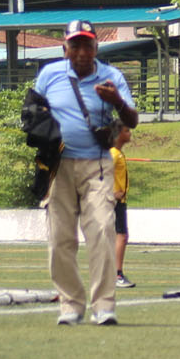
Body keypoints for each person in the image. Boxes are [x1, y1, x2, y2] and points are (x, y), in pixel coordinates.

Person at [35, 20, 139, 325]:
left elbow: (132, 120)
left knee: (104, 230)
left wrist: (116, 101)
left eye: (87, 45)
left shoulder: (112, 76)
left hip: (97, 163)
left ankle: (104, 305)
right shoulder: (49, 75)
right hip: (59, 166)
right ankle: (70, 304)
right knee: (59, 239)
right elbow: (34, 112)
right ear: (65, 48)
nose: (82, 52)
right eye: (75, 45)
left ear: (96, 48)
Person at [111, 124, 136, 288]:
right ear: (118, 134)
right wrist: (110, 193)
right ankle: (116, 274)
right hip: (114, 202)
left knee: (118, 236)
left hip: (119, 201)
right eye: (126, 130)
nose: (129, 133)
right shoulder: (113, 153)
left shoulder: (117, 153)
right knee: (121, 235)